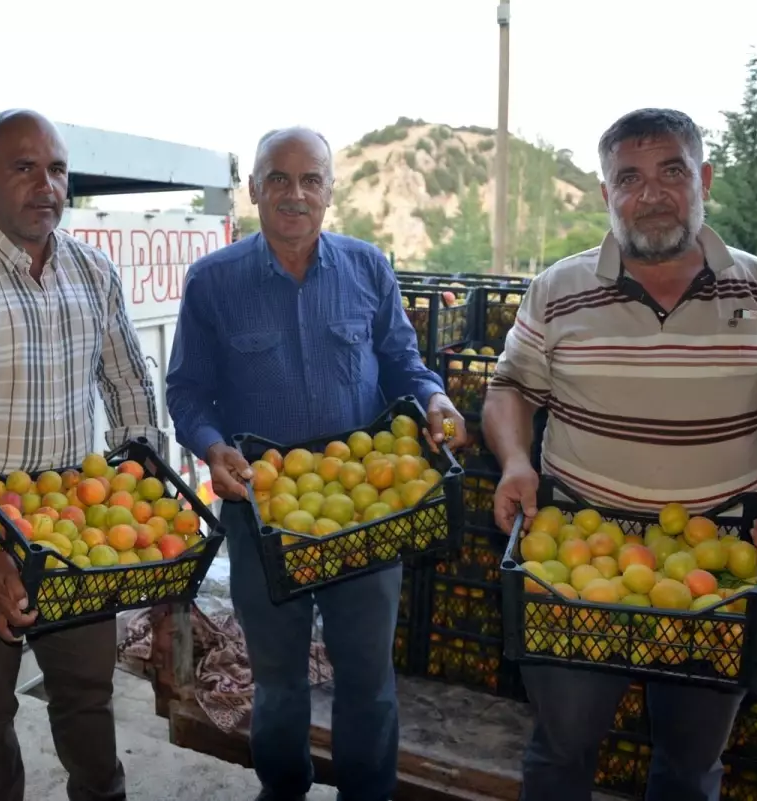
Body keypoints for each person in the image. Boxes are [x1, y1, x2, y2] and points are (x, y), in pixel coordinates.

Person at [482, 108, 757, 801]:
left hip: (719, 557)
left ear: (703, 179)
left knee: (689, 762)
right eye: (629, 177)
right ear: (606, 193)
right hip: (576, 555)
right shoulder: (558, 289)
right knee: (562, 748)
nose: (651, 193)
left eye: (671, 171)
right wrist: (517, 462)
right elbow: (507, 390)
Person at [166, 126, 470, 801]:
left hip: (365, 506)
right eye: (278, 178)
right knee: (276, 678)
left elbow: (403, 364)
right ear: (253, 189)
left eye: (311, 180)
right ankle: (284, 789)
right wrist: (211, 445)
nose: (294, 194)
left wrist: (435, 396)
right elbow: (186, 391)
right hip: (260, 508)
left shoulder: (368, 268)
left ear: (331, 190)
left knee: (366, 675)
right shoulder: (214, 282)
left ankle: (367, 793)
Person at [0, 108, 162, 801]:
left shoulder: (93, 271)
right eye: (23, 168)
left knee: (86, 691)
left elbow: (130, 385)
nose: (45, 185)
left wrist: (148, 491)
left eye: (57, 169)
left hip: (68, 518)